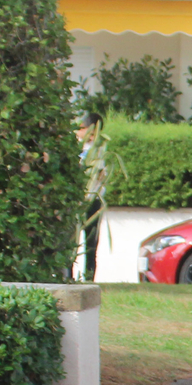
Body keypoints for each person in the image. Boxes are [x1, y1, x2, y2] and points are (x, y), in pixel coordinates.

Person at [76, 108, 108, 283]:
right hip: (76, 200)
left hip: (93, 200)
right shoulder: (73, 146)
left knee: (90, 244)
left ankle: (88, 280)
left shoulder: (99, 149)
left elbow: (100, 174)